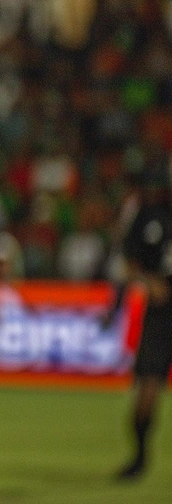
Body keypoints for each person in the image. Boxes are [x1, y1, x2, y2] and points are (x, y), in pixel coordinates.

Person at [106, 157, 172, 481]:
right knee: (146, 388)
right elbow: (129, 261)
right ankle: (140, 456)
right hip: (161, 315)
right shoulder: (147, 215)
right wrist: (148, 281)